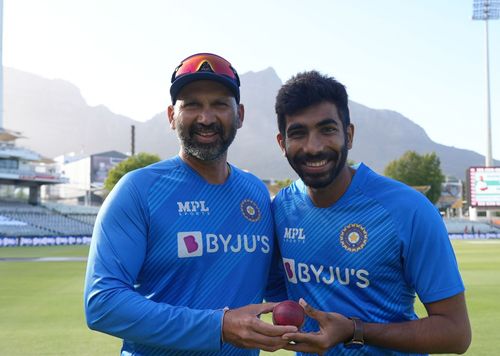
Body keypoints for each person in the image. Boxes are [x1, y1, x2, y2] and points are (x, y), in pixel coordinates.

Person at [84, 53, 295, 355]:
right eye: (192, 104)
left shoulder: (257, 193)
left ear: (240, 115)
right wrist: (218, 326)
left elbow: (275, 284)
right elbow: (103, 304)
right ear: (172, 115)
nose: (206, 118)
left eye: (220, 104)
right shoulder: (138, 190)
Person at [271, 71, 471, 355]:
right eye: (298, 133)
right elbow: (277, 288)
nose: (313, 147)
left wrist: (356, 331)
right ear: (282, 144)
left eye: (327, 129)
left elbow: (456, 334)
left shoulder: (408, 210)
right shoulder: (281, 208)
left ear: (348, 135)